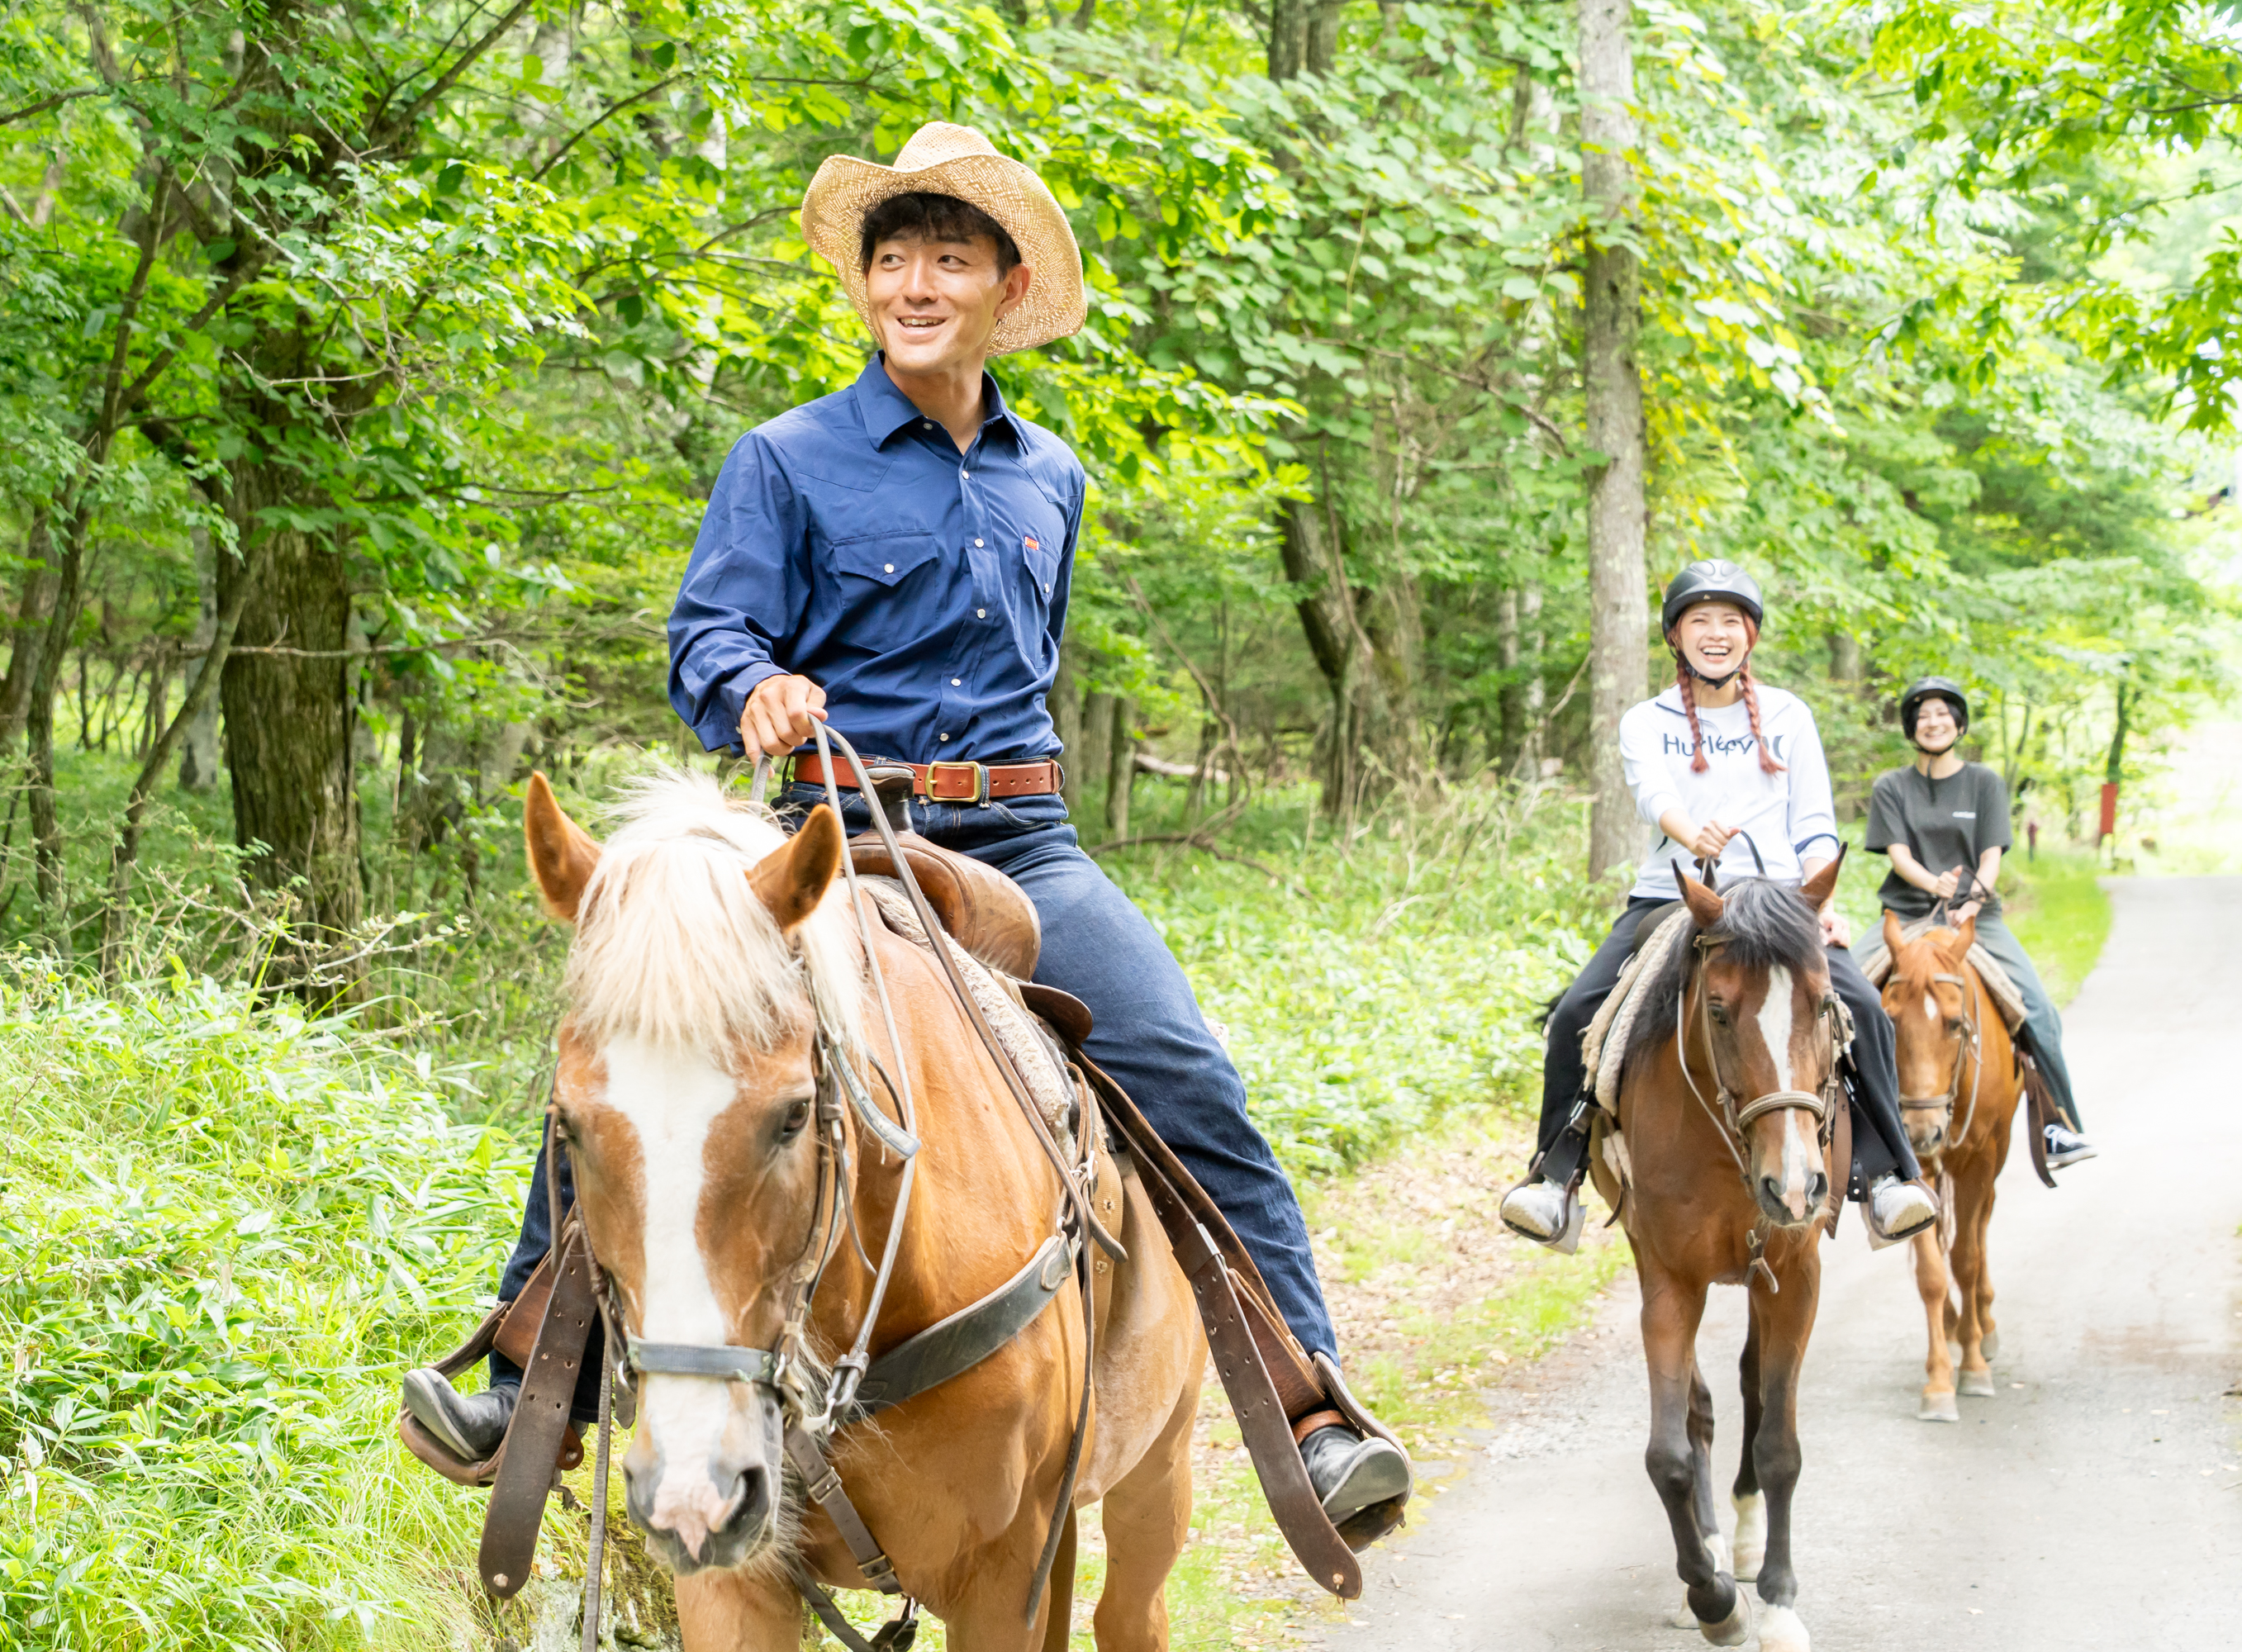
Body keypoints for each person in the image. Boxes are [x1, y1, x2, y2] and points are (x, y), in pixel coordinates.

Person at [403, 120, 1411, 1531]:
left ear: (1007, 287)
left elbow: (1032, 667)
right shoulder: (785, 458)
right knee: (646, 1059)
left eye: (949, 259)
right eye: (893, 262)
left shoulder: (1052, 476)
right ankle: (531, 1381)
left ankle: (1312, 1409)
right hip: (834, 845)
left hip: (1022, 845)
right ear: (864, 285)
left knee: (1188, 1071)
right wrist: (753, 687)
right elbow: (707, 635)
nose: (916, 285)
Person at [1498, 560, 1940, 1249]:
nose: (1715, 632)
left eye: (1730, 620)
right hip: (1677, 899)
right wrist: (1689, 832)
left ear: (1749, 635)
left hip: (1781, 903)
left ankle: (1888, 1176)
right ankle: (1555, 1177)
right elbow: (1653, 794)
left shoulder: (1789, 715)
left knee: (1864, 1011)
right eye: (1699, 619)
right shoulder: (1647, 720)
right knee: (1577, 1013)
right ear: (1675, 635)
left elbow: (1814, 822)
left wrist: (1819, 899)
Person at [1861, 676, 2096, 1169]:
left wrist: (1971, 897)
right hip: (1907, 914)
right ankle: (1854, 1135)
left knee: (2038, 1009)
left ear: (1959, 723)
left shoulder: (1984, 783)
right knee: (1843, 998)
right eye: (1923, 715)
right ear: (1911, 727)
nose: (1933, 722)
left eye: (1943, 713)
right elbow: (1899, 856)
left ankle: (2058, 1125)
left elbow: (1991, 856)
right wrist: (1936, 885)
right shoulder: (1891, 786)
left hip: (1976, 917)